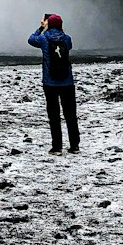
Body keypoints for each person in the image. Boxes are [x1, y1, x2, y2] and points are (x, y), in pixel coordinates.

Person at [28, 12, 79, 154]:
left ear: (48, 24)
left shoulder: (44, 39)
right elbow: (67, 45)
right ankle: (74, 146)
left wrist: (41, 27)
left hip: (50, 83)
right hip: (67, 82)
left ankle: (57, 147)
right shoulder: (67, 39)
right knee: (70, 115)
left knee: (54, 116)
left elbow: (31, 40)